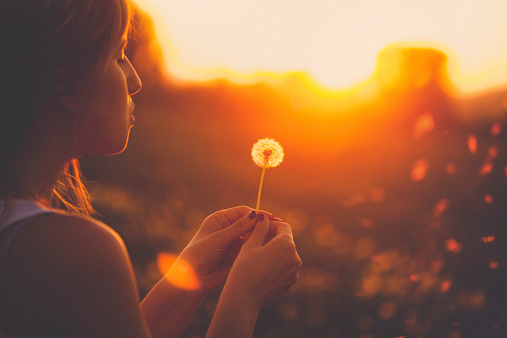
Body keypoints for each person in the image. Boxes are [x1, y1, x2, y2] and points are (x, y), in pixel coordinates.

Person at [0, 0, 302, 337]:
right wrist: (245, 297)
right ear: (69, 85)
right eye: (118, 56)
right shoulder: (73, 249)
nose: (135, 79)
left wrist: (191, 276)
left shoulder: (18, 232)